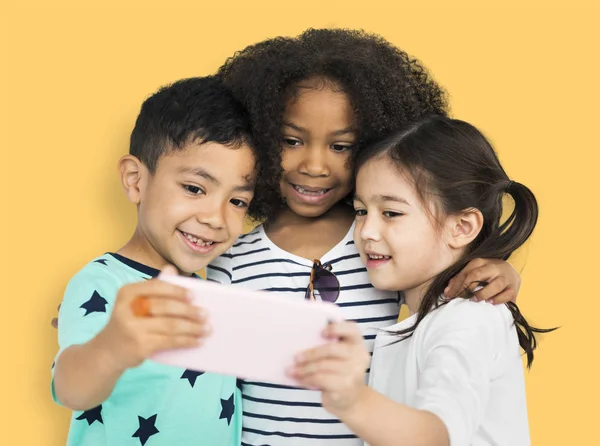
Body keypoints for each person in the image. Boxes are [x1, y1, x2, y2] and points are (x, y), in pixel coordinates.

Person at [208, 28, 523, 445]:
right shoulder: (229, 260)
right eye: (291, 140)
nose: (315, 166)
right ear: (259, 136)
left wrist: (498, 271)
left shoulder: (379, 254)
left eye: (341, 146)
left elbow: (444, 291)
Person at [291, 116, 554, 446]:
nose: (366, 232)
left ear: (461, 227)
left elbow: (436, 436)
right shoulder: (432, 316)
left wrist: (351, 399)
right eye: (361, 212)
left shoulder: (468, 318)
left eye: (391, 213)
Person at [52, 76, 274, 446]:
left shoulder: (215, 292)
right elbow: (71, 389)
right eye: (194, 188)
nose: (216, 218)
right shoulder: (101, 284)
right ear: (135, 180)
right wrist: (113, 346)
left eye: (237, 201)